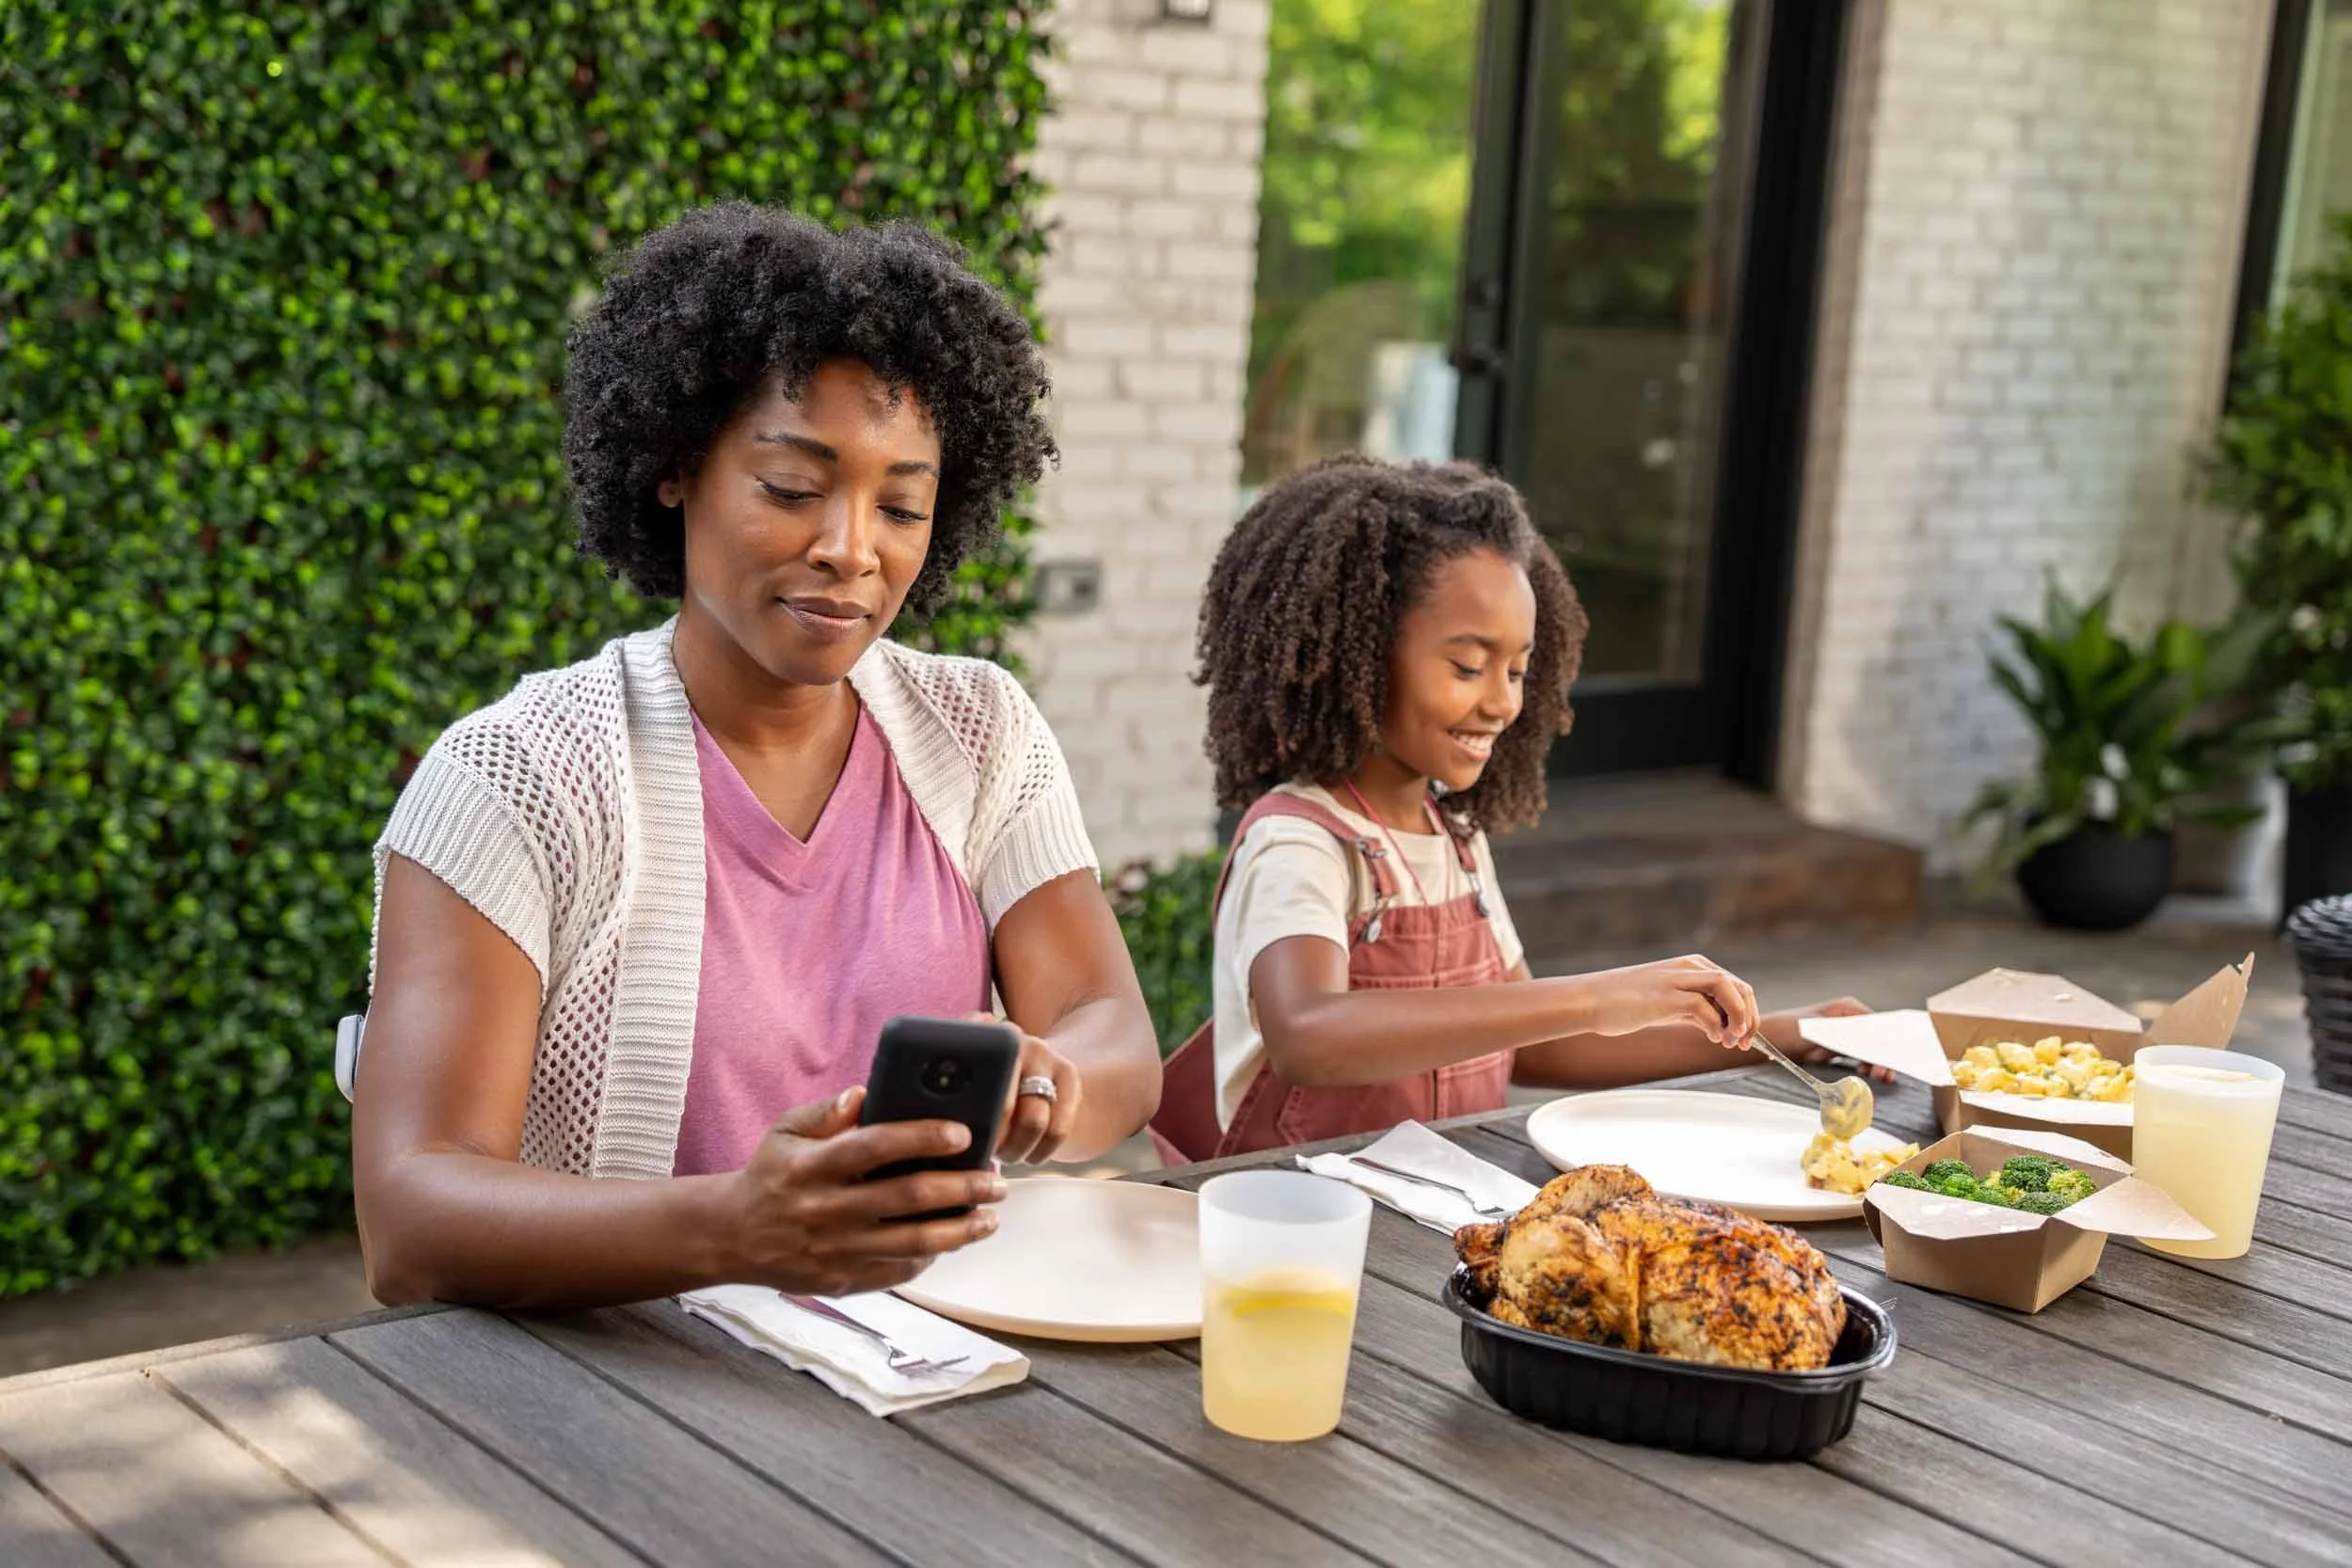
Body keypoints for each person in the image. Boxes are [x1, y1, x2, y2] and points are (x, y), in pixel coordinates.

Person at [354, 205, 1160, 1309]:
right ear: (677, 465)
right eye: (791, 488)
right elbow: (408, 1218)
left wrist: (1051, 1079)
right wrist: (737, 1226)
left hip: (927, 1359)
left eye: (903, 505)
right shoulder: (518, 778)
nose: (850, 547)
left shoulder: (978, 731)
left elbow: (1115, 1032)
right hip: (622, 1396)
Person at [1150, 455, 1873, 1162]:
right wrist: (1592, 996)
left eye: (1519, 669)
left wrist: (1784, 1032)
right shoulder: (1301, 840)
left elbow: (1530, 1039)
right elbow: (1307, 1033)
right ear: (1358, 656)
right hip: (1307, 1223)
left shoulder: (1451, 835)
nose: (1501, 701)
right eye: (1467, 666)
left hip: (1436, 1210)